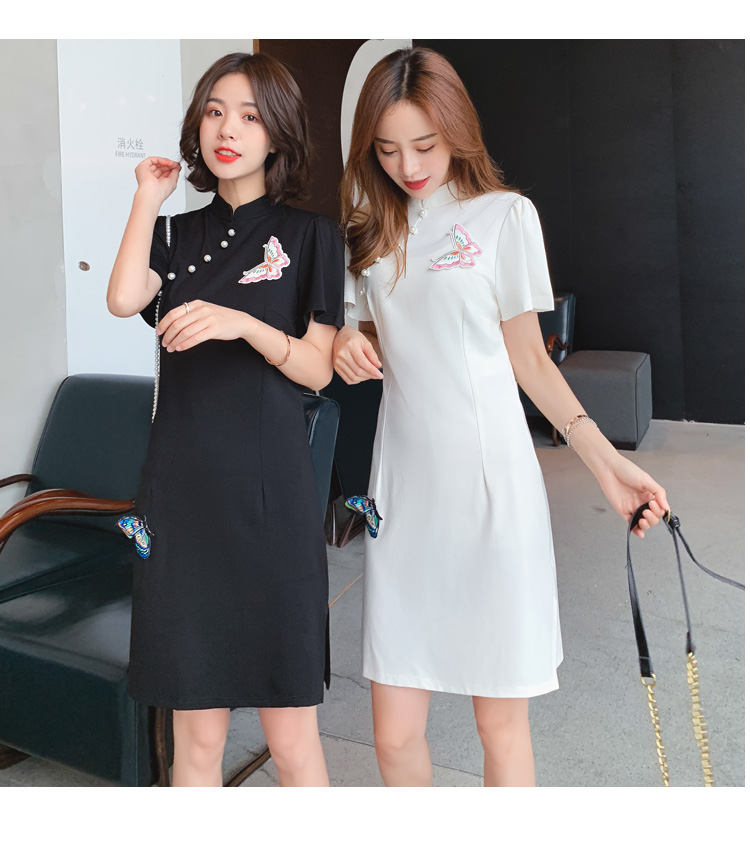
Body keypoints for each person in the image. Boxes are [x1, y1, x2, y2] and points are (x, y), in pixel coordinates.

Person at [333, 46, 669, 787]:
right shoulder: (371, 228)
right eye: (386, 149)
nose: (407, 165)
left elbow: (532, 363)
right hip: (402, 494)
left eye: (424, 145)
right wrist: (344, 342)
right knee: (392, 734)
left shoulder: (505, 217)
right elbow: (367, 336)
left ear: (457, 130)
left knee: (499, 725)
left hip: (492, 492)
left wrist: (608, 466)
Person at [107, 52, 343, 787]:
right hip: (181, 503)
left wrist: (242, 324)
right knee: (198, 740)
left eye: (248, 115)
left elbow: (318, 369)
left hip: (271, 504)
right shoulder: (174, 237)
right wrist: (147, 197)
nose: (227, 130)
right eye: (214, 112)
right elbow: (122, 298)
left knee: (292, 740)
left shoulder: (310, 236)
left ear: (278, 133)